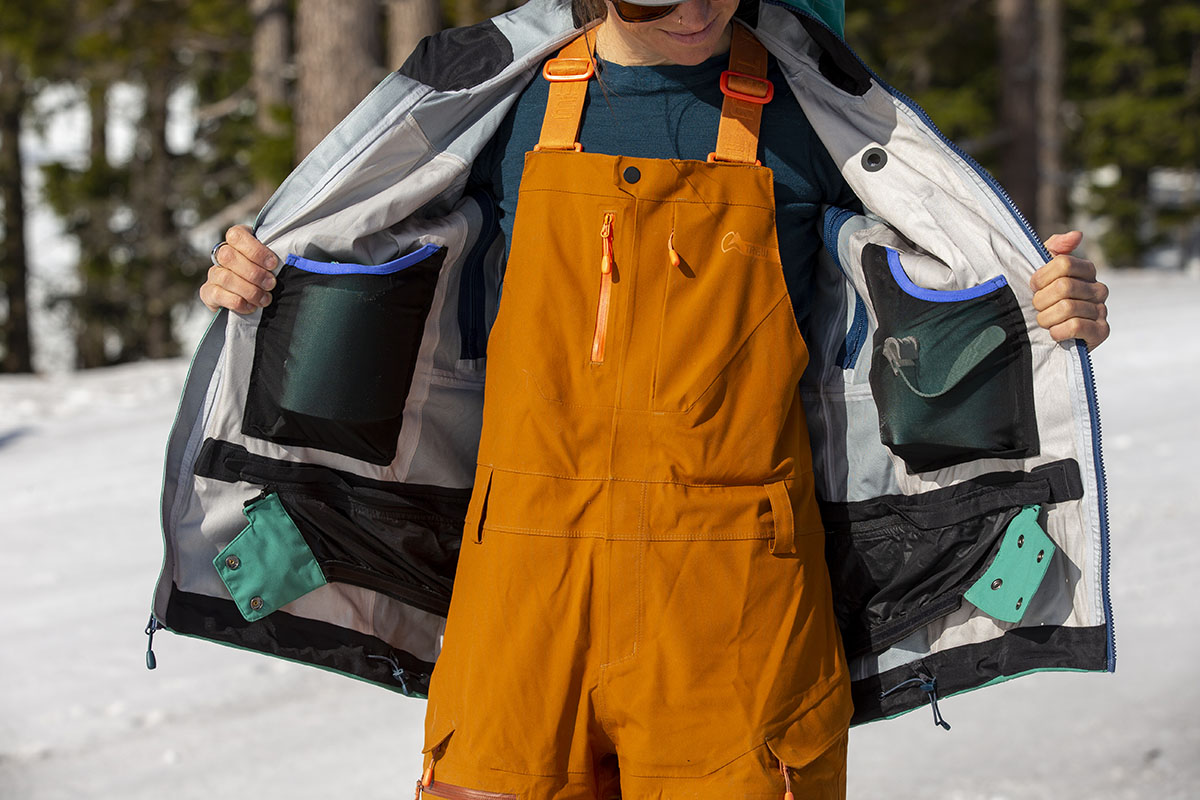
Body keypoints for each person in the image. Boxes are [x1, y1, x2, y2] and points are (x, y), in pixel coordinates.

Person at [196, 1, 1110, 798]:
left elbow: (935, 287)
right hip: (519, 603)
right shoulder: (501, 112)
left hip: (735, 610)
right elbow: (372, 253)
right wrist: (261, 276)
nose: (700, 10)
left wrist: (1046, 307)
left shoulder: (814, 120)